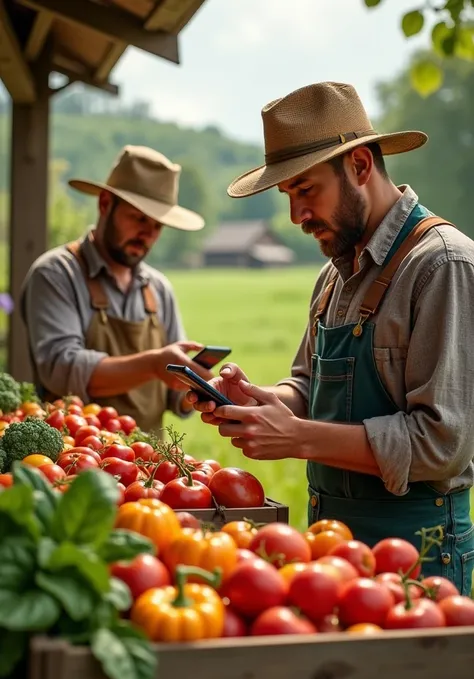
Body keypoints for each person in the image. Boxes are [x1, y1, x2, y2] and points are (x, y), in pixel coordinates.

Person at [187, 81, 474, 594]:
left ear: (360, 166)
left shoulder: (442, 265)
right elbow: (306, 385)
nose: (296, 217)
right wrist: (260, 401)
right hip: (328, 553)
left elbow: (441, 445)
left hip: (419, 556)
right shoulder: (335, 275)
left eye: (305, 190)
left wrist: (296, 437)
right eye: (288, 196)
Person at [21, 144, 213, 433]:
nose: (147, 233)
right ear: (105, 204)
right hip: (74, 458)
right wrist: (153, 365)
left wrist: (197, 389)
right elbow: (60, 369)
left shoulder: (159, 289)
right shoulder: (55, 273)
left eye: (157, 225)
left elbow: (175, 393)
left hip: (149, 471)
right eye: (138, 218)